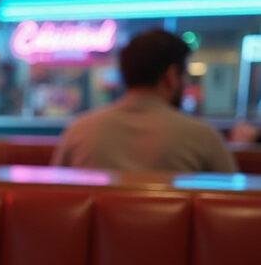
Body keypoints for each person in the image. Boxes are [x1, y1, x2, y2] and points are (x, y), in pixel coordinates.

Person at [53, 30, 237, 172]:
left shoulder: (79, 131)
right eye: (184, 76)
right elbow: (232, 203)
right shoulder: (202, 136)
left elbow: (56, 197)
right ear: (171, 76)